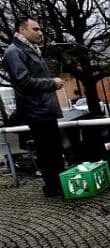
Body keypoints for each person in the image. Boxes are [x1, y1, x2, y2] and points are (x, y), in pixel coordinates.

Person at [3, 17, 65, 197]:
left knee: (54, 149)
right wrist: (52, 83)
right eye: (36, 29)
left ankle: (58, 184)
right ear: (22, 30)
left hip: (44, 108)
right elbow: (23, 81)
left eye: (40, 29)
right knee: (47, 150)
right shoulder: (14, 51)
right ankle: (53, 187)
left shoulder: (29, 49)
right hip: (36, 110)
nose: (40, 33)